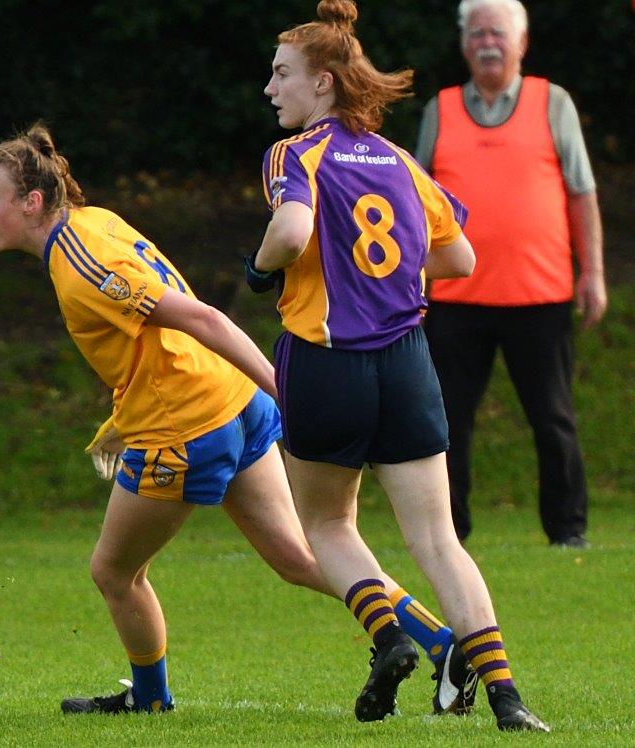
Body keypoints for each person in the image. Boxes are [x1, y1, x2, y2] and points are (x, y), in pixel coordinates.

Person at [0, 123, 467, 718]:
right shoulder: (92, 222)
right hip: (229, 403)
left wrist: (286, 388)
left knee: (114, 571)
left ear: (32, 202)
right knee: (300, 558)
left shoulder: (80, 259)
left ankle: (150, 700)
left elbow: (202, 318)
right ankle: (441, 642)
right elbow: (154, 335)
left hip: (185, 427)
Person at [252, 0, 547, 730]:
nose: (270, 88)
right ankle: (507, 697)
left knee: (327, 525)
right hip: (409, 361)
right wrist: (389, 280)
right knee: (438, 539)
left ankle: (387, 637)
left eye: (283, 73)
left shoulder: (296, 155)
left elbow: (290, 233)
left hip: (325, 363)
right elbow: (461, 257)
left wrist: (261, 268)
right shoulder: (400, 161)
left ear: (324, 83)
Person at [414, 0, 604, 548]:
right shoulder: (441, 109)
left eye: (498, 32)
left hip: (539, 296)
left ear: (522, 43)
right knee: (447, 424)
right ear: (462, 44)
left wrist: (592, 274)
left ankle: (568, 531)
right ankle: (448, 532)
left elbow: (582, 193)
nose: (486, 42)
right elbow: (416, 199)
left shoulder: (554, 102)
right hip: (454, 297)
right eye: (476, 33)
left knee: (553, 420)